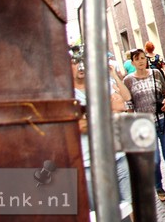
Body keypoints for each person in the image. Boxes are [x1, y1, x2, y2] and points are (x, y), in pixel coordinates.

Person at [71, 47, 133, 213]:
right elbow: (80, 127)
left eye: (82, 61)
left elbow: (123, 103)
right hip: (90, 165)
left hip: (117, 157)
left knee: (131, 205)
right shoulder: (68, 97)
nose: (80, 66)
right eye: (75, 62)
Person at [124, 47, 165, 204]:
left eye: (143, 58)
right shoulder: (128, 80)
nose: (141, 61)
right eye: (137, 59)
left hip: (164, 119)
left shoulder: (156, 73)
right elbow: (129, 105)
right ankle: (158, 187)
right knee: (154, 160)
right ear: (132, 62)